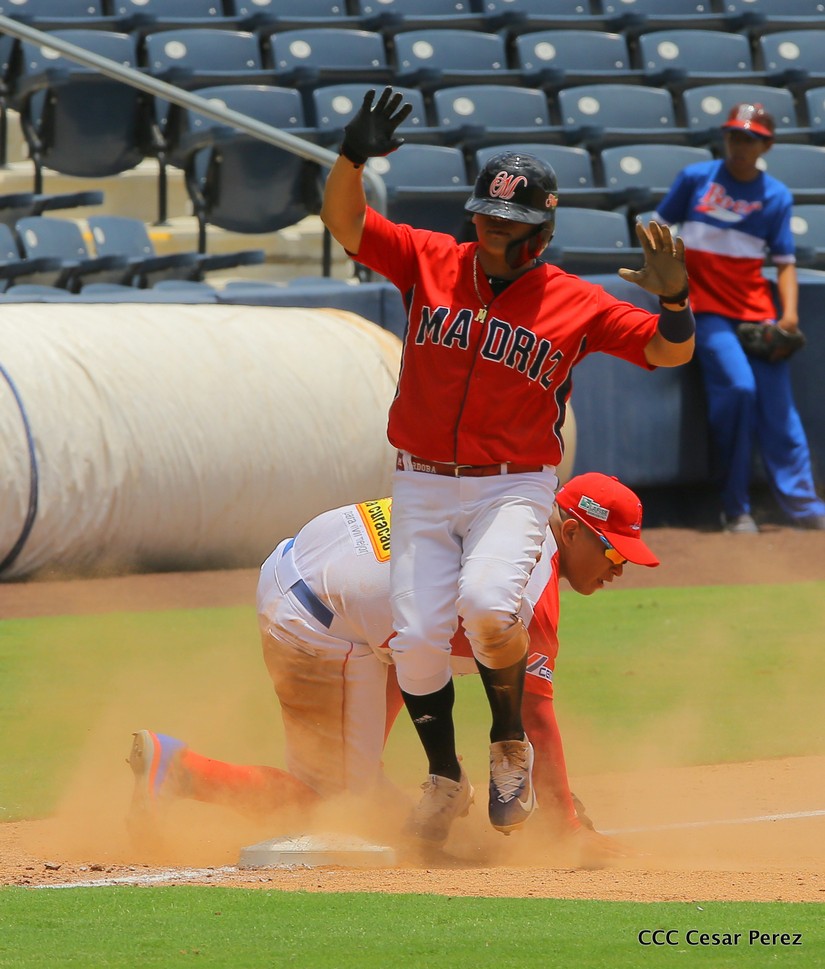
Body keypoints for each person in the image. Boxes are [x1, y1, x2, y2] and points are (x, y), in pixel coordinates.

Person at [318, 86, 694, 842]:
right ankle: (443, 777)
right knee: (416, 637)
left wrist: (677, 299)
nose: (492, 233)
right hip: (420, 477)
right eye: (486, 218)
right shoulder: (430, 260)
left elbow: (666, 349)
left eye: (510, 223)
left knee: (491, 604)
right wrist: (351, 156)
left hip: (513, 487)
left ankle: (506, 746)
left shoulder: (572, 301)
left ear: (541, 231)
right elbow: (345, 222)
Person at [129, 473, 659, 861]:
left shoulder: (501, 509)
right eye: (614, 554)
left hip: (315, 577)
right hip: (320, 620)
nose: (620, 569)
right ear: (569, 533)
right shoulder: (529, 587)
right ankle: (180, 769)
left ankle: (399, 798)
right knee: (332, 806)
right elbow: (535, 718)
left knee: (370, 788)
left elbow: (405, 650)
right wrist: (564, 823)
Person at [654, 102, 825, 534]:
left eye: (749, 138)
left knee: (779, 411)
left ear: (766, 144)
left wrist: (788, 316)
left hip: (755, 314)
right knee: (739, 388)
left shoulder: (776, 196)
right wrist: (669, 285)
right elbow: (657, 230)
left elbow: (785, 263)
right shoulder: (697, 178)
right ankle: (736, 508)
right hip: (706, 311)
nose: (738, 144)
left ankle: (804, 508)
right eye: (733, 135)